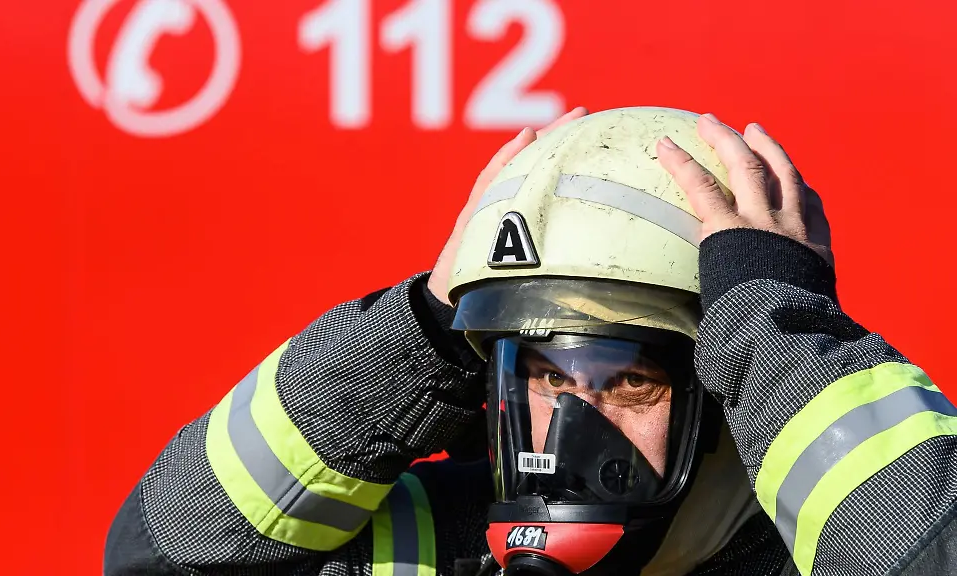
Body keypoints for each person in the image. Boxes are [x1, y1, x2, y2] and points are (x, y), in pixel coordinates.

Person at [103, 107, 957, 576]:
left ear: (729, 391)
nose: (571, 431)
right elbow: (169, 556)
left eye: (629, 385)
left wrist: (777, 330)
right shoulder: (444, 550)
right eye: (547, 376)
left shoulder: (820, 553)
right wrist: (424, 331)